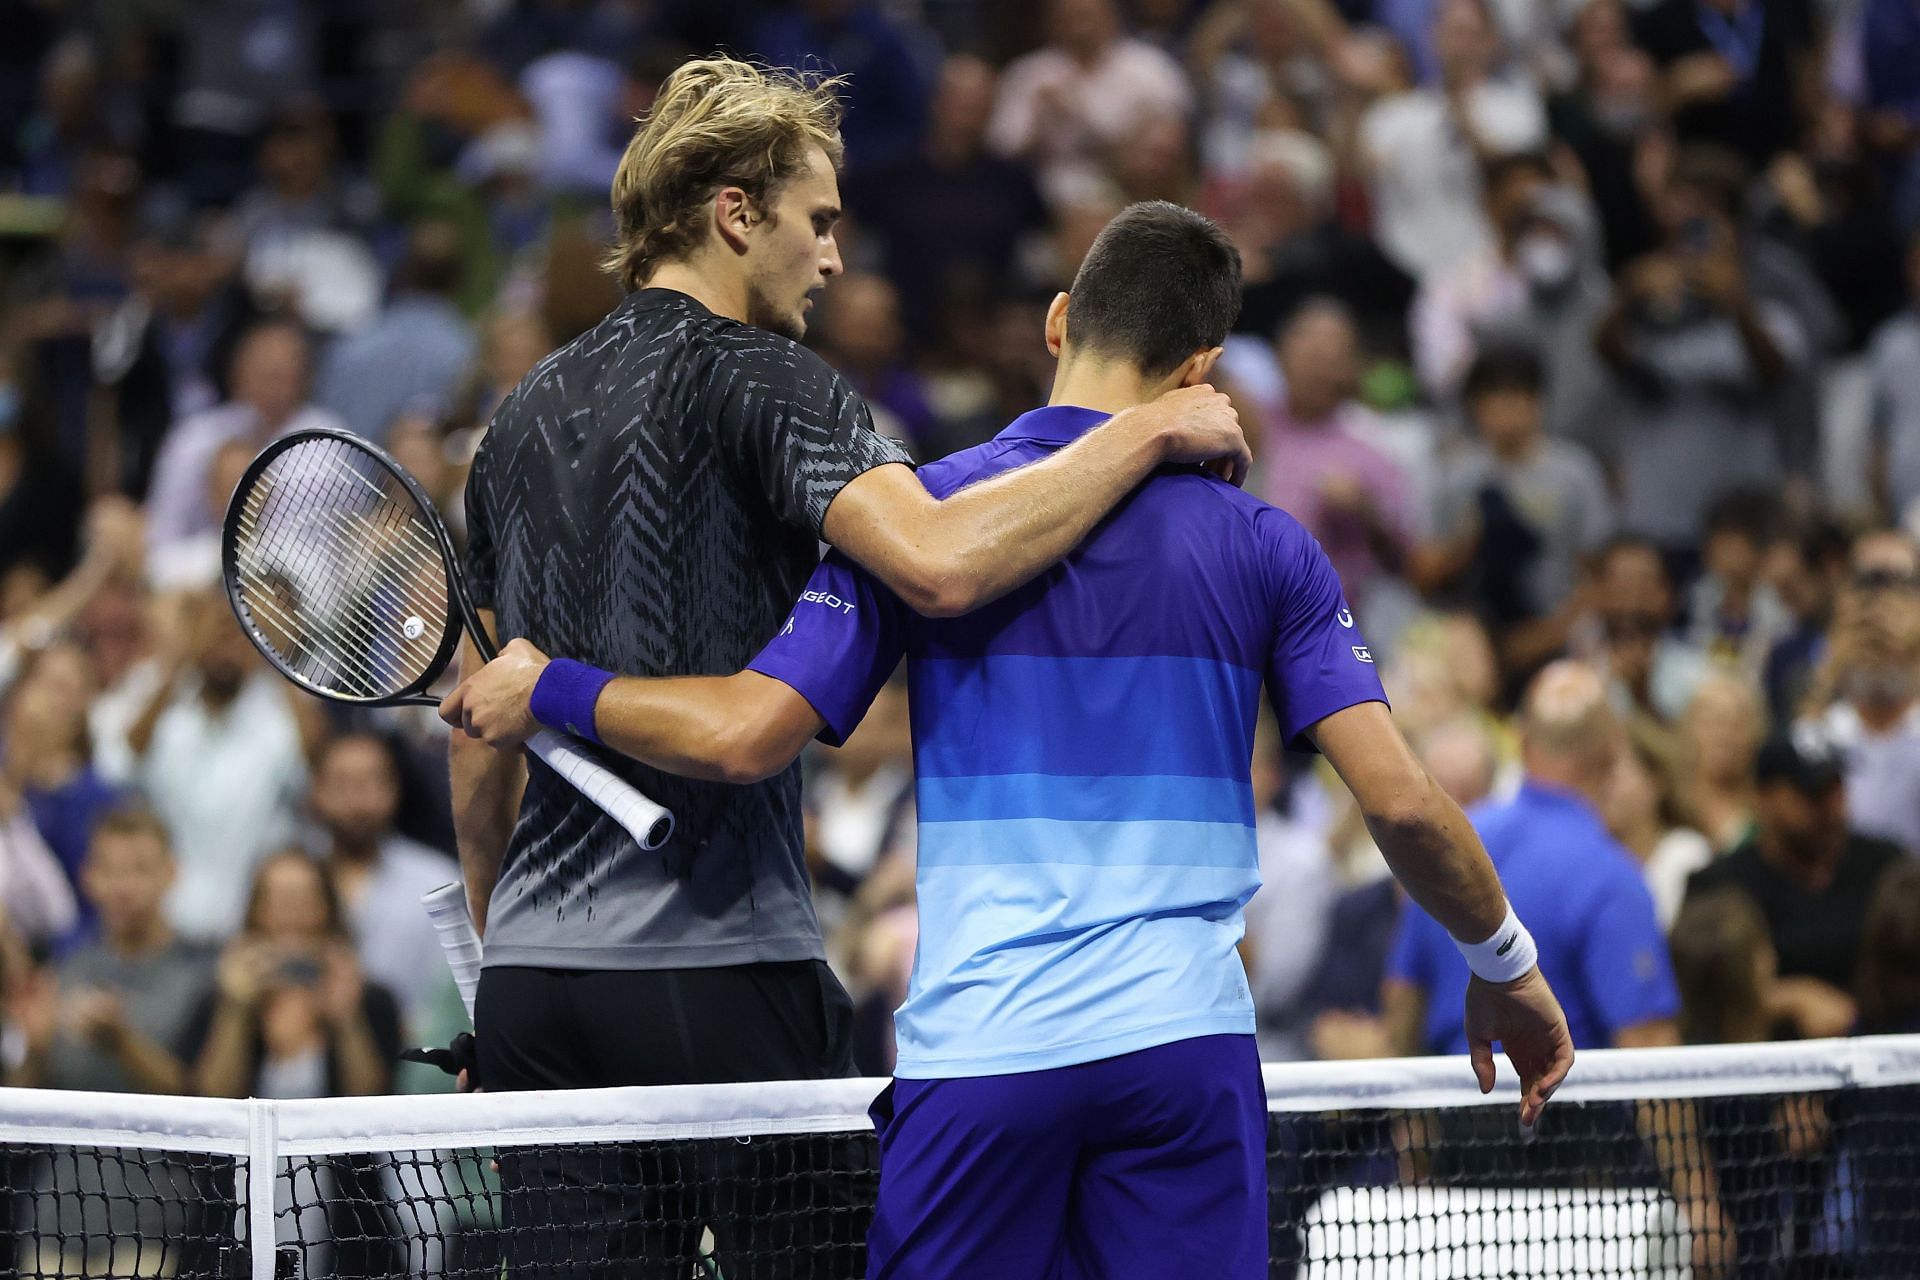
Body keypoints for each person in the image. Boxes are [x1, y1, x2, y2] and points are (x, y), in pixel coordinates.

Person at [447, 200, 1573, 1280]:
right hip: (1182, 1057)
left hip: (984, 1063)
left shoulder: (919, 518)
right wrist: (1503, 963)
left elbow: (749, 733)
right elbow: (1408, 804)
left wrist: (554, 684)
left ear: (1056, 320)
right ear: (1202, 370)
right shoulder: (1268, 544)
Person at [445, 57, 1247, 1275]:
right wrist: (1147, 428)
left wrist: (494, 960)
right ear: (736, 214)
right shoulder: (774, 378)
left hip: (537, 989)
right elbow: (935, 563)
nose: (831, 259)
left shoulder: (515, 417)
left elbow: (479, 732)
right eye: (817, 222)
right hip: (723, 981)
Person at [1385, 662, 1680, 1059]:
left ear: (1522, 743)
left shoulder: (1447, 847)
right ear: (1612, 752)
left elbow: (1403, 1001)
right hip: (1564, 1113)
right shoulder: (1610, 875)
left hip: (1455, 1106)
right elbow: (1649, 1048)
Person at [1684, 730, 1913, 1039]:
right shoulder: (1720, 886)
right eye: (1814, 794)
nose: (1833, 809)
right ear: (1763, 799)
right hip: (1767, 1065)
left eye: (1838, 789)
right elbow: (1701, 992)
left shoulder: (1886, 865)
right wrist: (1786, 999)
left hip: (1885, 1055)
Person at [305, 731, 458, 1035]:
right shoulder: (291, 876)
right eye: (342, 783)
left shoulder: (439, 881)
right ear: (316, 791)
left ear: (395, 789)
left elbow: (454, 991)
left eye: (371, 782)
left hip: (416, 1059)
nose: (357, 799)